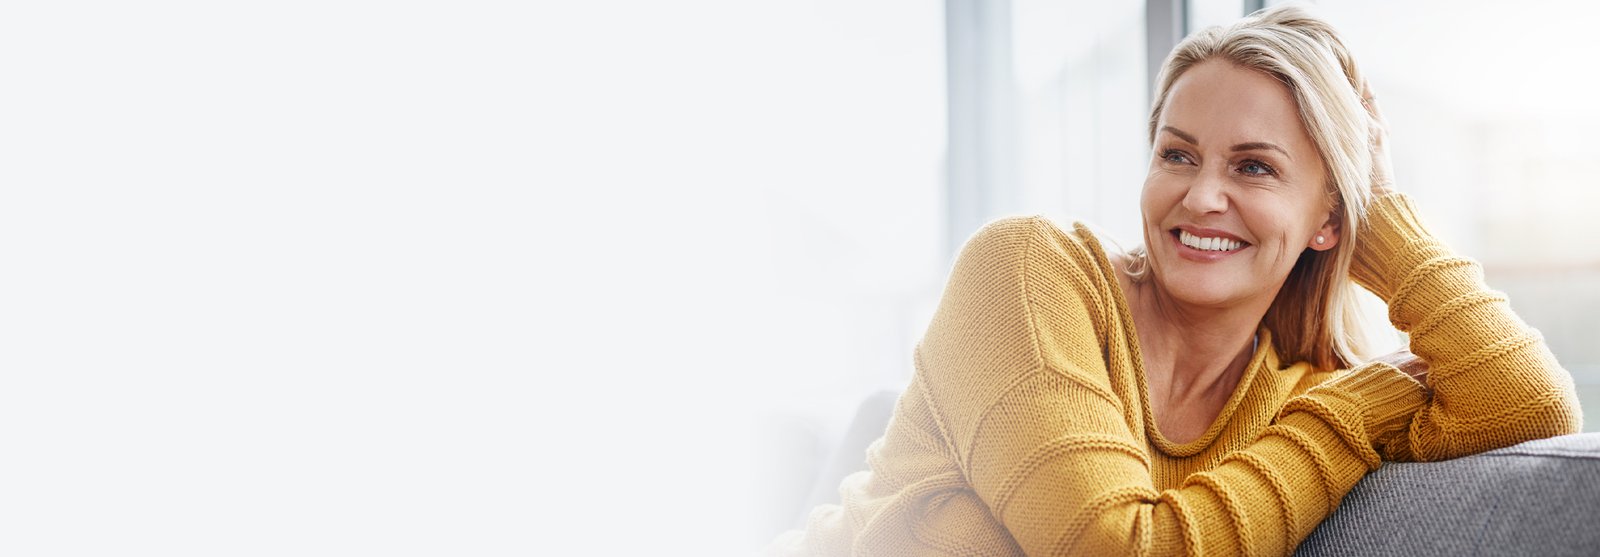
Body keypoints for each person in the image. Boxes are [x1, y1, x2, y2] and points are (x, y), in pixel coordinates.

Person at [765, 4, 1584, 556]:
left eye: (1254, 167)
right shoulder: (1025, 273)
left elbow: (1530, 404)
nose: (1200, 196)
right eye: (1177, 154)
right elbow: (1117, 544)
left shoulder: (1306, 393)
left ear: (1329, 221)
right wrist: (1345, 420)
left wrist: (1384, 215)